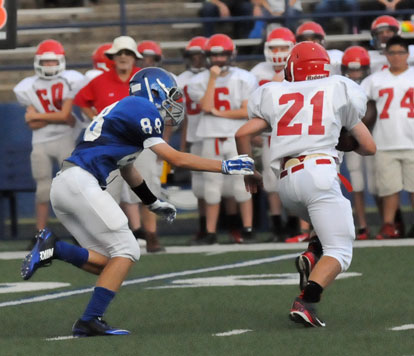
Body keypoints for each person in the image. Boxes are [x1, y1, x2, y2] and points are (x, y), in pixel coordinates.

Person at [21, 67, 254, 337]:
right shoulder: (141, 106)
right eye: (169, 96)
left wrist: (152, 202)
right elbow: (175, 159)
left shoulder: (125, 109)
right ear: (154, 91)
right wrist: (225, 165)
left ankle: (55, 249)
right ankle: (89, 320)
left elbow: (127, 167)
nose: (172, 103)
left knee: (111, 261)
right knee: (129, 249)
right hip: (80, 183)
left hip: (68, 185)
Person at [235, 41, 376, 327]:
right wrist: (348, 144)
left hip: (286, 182)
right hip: (320, 174)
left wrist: (249, 171)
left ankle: (313, 252)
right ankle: (306, 302)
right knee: (340, 249)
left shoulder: (274, 92)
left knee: (321, 222)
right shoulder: (339, 88)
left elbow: (242, 133)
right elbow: (369, 147)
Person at [187, 33, 258, 244]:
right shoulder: (198, 81)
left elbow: (246, 111)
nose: (218, 60)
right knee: (211, 185)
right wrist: (212, 79)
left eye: (222, 55)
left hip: (236, 136)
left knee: (241, 183)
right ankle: (210, 232)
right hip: (211, 136)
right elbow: (206, 106)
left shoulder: (244, 78)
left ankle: (248, 229)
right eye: (214, 56)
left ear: (231, 55)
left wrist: (219, 114)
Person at [13, 39, 85, 243]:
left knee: (72, 187)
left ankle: (79, 233)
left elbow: (64, 117)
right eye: (45, 62)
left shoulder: (71, 79)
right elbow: (32, 122)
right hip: (41, 142)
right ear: (38, 62)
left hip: (66, 140)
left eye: (53, 62)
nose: (49, 66)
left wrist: (40, 116)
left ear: (61, 61)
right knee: (43, 190)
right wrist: (56, 117)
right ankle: (40, 235)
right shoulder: (28, 86)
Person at [361, 35, 414, 239]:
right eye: (392, 52)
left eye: (400, 52)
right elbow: (358, 103)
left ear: (407, 54)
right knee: (388, 189)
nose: (396, 56)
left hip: (412, 140)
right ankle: (388, 225)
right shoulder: (375, 80)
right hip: (384, 140)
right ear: (385, 55)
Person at [250, 27, 296, 241]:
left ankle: (296, 223)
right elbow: (251, 104)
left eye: (282, 47)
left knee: (294, 179)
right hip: (270, 135)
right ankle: (277, 224)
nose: (277, 52)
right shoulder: (258, 72)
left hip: (295, 134)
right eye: (273, 47)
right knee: (271, 181)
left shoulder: (298, 67)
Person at [177, 36, 210, 243]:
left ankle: (234, 226)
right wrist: (182, 146)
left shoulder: (219, 76)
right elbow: (181, 115)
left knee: (226, 186)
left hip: (216, 134)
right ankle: (204, 226)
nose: (196, 59)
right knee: (200, 187)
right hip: (195, 135)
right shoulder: (182, 79)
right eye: (192, 55)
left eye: (200, 55)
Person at [341, 45, 375, 240]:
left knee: (376, 183)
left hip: (370, 136)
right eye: (351, 69)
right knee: (357, 182)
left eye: (358, 69)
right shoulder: (341, 85)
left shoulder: (370, 83)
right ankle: (362, 224)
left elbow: (372, 111)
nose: (354, 73)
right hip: (349, 139)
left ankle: (392, 221)